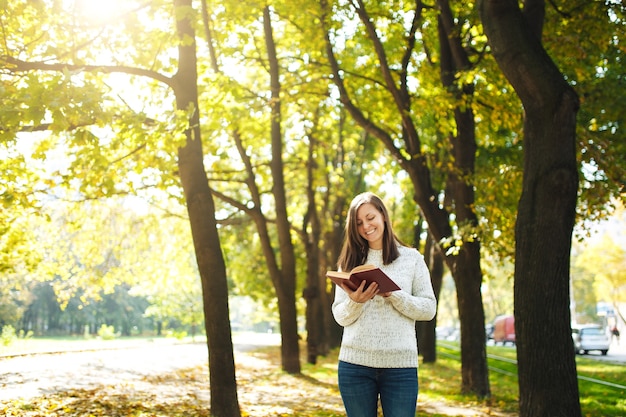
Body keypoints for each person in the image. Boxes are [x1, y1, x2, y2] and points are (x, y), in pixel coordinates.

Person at [331, 192, 437, 417]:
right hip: (354, 365)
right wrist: (355, 302)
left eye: (370, 217)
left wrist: (393, 294)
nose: (366, 226)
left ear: (383, 216)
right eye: (359, 223)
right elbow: (340, 316)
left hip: (400, 367)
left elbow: (428, 309)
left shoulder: (412, 259)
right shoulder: (349, 262)